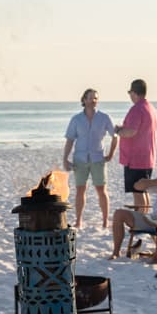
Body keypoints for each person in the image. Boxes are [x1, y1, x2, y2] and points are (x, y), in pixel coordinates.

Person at [62, 88, 116, 229]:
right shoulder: (76, 119)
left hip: (98, 158)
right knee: (80, 189)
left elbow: (115, 136)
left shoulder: (104, 117)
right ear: (84, 100)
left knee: (101, 190)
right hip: (80, 158)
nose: (93, 101)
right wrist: (65, 159)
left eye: (95, 98)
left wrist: (111, 154)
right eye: (90, 98)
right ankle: (79, 220)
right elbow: (70, 140)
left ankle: (105, 221)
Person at [113, 79, 157, 212]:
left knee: (138, 192)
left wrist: (118, 131)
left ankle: (140, 220)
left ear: (134, 92)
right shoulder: (150, 108)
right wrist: (124, 128)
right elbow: (139, 128)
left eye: (130, 93)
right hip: (147, 157)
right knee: (143, 190)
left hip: (136, 159)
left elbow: (131, 132)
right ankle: (144, 217)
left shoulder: (137, 109)